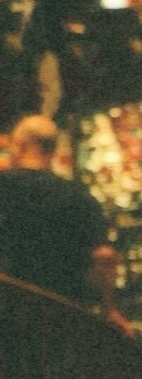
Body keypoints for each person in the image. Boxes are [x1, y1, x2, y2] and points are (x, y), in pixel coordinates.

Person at [0, 114, 105, 304]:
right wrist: (110, 308)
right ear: (54, 149)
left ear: (21, 145)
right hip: (65, 307)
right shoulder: (79, 196)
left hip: (9, 306)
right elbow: (103, 256)